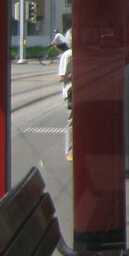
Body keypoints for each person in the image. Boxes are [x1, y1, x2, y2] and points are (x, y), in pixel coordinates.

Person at [57, 30, 72, 160]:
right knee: (72, 121)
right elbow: (61, 78)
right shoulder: (67, 56)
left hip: (81, 90)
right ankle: (70, 151)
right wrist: (73, 74)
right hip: (71, 92)